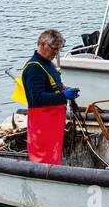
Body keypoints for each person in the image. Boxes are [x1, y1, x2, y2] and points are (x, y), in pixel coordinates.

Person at [18, 29, 79, 163]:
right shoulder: (34, 68)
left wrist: (64, 89)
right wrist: (63, 96)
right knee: (43, 158)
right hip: (42, 123)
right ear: (43, 45)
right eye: (55, 49)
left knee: (54, 154)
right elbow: (37, 99)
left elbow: (50, 86)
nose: (56, 53)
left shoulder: (47, 64)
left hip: (53, 121)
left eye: (59, 49)